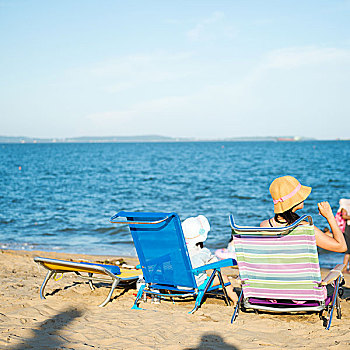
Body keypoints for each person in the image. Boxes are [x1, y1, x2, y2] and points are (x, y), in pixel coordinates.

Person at [260, 175, 347, 253]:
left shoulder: (264, 225)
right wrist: (329, 216)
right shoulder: (304, 228)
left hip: (274, 271)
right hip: (299, 271)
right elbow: (341, 247)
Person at [182, 215, 238, 305]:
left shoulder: (179, 251)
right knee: (223, 277)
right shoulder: (204, 252)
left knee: (201, 270)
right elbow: (215, 264)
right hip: (194, 284)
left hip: (177, 283)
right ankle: (236, 300)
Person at [336, 199, 350, 272]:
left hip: (348, 229)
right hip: (347, 229)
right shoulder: (344, 206)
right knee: (348, 250)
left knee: (348, 250)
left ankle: (346, 268)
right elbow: (344, 216)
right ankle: (344, 268)